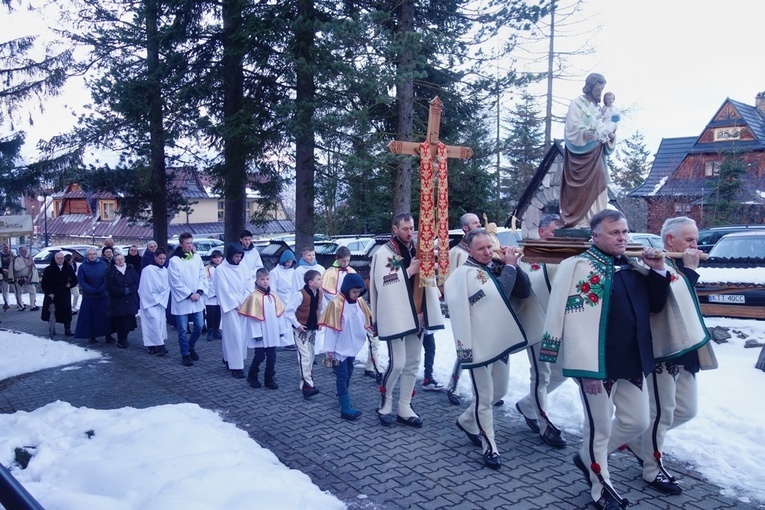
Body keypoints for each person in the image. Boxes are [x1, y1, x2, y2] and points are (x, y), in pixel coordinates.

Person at [541, 210, 672, 510]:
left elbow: (655, 305)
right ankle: (602, 488)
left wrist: (658, 270)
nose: (623, 238)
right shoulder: (576, 267)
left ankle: (588, 458)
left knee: (637, 420)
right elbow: (559, 313)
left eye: (625, 232)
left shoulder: (633, 266)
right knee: (599, 429)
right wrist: (571, 363)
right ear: (596, 235)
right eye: (615, 233)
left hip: (632, 362)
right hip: (595, 365)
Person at [625, 216, 717, 496]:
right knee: (661, 414)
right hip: (662, 352)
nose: (695, 245)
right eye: (689, 240)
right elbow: (661, 303)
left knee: (686, 410)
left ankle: (639, 444)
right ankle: (652, 468)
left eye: (696, 240)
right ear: (670, 241)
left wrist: (687, 268)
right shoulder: (650, 265)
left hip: (686, 352)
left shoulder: (678, 265)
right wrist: (690, 270)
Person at [445, 228, 531, 469]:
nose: (486, 252)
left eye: (489, 246)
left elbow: (522, 292)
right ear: (469, 249)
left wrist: (513, 265)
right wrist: (510, 268)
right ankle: (489, 445)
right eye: (481, 248)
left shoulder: (493, 266)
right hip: (478, 345)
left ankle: (466, 421)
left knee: (499, 392)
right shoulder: (464, 274)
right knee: (484, 397)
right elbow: (499, 294)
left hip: (500, 341)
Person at [368, 212, 444, 428]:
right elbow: (384, 282)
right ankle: (386, 401)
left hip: (418, 314)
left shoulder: (418, 249)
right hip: (396, 315)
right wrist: (409, 271)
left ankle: (405, 407)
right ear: (395, 229)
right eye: (405, 229)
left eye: (412, 228)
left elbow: (429, 277)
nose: (410, 232)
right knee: (398, 363)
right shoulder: (384, 253)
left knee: (412, 364)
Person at [514, 213, 569, 449]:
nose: (559, 237)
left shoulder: (568, 257)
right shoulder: (527, 257)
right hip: (537, 326)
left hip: (560, 325)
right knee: (541, 374)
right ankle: (546, 426)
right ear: (542, 231)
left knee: (563, 371)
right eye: (555, 231)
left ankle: (528, 405)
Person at [561, 73, 615, 228]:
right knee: (581, 189)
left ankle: (597, 220)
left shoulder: (599, 108)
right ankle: (581, 221)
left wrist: (610, 135)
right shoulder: (577, 103)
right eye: (598, 89)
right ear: (590, 87)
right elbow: (571, 127)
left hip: (596, 153)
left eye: (602, 89)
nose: (600, 93)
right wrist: (583, 134)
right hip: (580, 156)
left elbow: (604, 126)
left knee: (600, 179)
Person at [319, 273, 372, 421]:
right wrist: (329, 349)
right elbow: (331, 328)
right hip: (339, 348)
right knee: (342, 376)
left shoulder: (359, 302)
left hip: (352, 345)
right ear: (347, 288)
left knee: (349, 371)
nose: (356, 295)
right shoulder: (336, 304)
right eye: (354, 292)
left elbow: (365, 319)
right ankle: (345, 407)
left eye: (359, 292)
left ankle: (341, 394)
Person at [444, 212, 482, 405]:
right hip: (465, 309)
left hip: (484, 307)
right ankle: (453, 385)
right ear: (466, 228)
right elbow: (450, 283)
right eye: (475, 223)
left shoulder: (482, 249)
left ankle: (485, 390)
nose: (480, 224)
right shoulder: (457, 253)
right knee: (465, 348)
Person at [241, 267, 290, 389]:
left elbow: (279, 314)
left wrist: (280, 330)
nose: (265, 281)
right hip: (261, 333)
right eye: (262, 279)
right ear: (257, 280)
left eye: (267, 279)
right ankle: (252, 375)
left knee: (272, 355)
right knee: (260, 356)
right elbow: (253, 317)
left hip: (272, 330)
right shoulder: (254, 297)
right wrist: (256, 334)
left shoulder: (273, 295)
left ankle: (269, 378)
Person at [168, 232, 208, 367]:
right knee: (183, 330)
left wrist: (199, 292)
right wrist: (189, 294)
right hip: (183, 299)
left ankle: (190, 346)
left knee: (199, 326)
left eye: (191, 243)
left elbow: (202, 276)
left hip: (197, 298)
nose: (190, 246)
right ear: (181, 244)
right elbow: (175, 281)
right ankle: (185, 354)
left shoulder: (197, 258)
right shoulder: (174, 260)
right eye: (187, 243)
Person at [213, 243, 253, 378]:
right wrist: (235, 304)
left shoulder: (243, 267)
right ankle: (236, 367)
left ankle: (230, 358)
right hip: (230, 306)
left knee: (241, 335)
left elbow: (249, 284)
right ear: (230, 255)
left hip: (243, 302)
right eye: (237, 256)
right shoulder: (221, 270)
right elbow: (222, 289)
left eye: (241, 256)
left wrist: (245, 300)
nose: (239, 259)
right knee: (233, 335)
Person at [285, 269, 325, 399]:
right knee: (305, 356)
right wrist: (297, 325)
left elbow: (321, 308)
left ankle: (304, 383)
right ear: (310, 282)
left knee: (311, 355)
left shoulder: (320, 293)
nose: (321, 281)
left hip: (312, 329)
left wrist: (320, 322)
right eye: (319, 279)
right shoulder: (300, 294)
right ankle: (308, 386)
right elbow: (289, 311)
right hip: (300, 330)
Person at [75, 247, 113, 344]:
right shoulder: (83, 267)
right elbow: (81, 281)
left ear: (97, 255)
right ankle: (91, 336)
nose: (92, 256)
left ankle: (108, 335)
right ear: (87, 256)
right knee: (90, 317)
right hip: (89, 296)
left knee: (105, 316)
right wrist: (90, 289)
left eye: (94, 254)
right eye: (90, 254)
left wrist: (102, 288)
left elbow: (107, 278)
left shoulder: (103, 264)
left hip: (103, 294)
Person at [138, 248, 170, 355]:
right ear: (155, 257)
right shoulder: (148, 270)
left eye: (164, 259)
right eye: (160, 258)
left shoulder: (165, 271)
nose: (162, 261)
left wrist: (161, 299)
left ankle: (155, 344)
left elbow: (167, 287)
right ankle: (159, 346)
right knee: (153, 322)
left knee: (159, 323)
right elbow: (144, 286)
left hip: (160, 301)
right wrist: (153, 299)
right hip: (150, 301)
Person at [105, 253, 140, 349]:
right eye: (118, 260)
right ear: (114, 261)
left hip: (130, 299)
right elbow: (109, 286)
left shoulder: (130, 269)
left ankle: (125, 337)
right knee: (120, 321)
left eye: (122, 259)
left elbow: (137, 281)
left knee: (128, 320)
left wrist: (131, 289)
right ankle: (121, 339)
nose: (120, 261)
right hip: (117, 300)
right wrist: (122, 291)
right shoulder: (110, 271)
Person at [40, 251, 77, 338]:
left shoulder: (68, 268)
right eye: (58, 258)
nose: (60, 260)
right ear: (54, 259)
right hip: (53, 294)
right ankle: (52, 328)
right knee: (52, 312)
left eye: (62, 258)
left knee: (66, 312)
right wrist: (49, 292)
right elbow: (44, 283)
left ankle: (67, 329)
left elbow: (75, 279)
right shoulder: (48, 269)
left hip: (64, 294)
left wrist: (70, 284)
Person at [11, 246, 40, 312]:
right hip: (19, 279)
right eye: (22, 251)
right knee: (19, 293)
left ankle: (32, 306)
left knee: (33, 292)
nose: (24, 252)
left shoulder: (29, 259)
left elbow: (32, 269)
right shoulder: (16, 259)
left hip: (28, 278)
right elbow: (16, 268)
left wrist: (30, 277)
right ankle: (21, 306)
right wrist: (26, 264)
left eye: (25, 251)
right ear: (19, 251)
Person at [203, 250, 224, 342]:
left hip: (220, 294)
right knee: (211, 313)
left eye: (219, 257)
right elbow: (206, 280)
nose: (218, 259)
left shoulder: (224, 268)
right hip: (211, 294)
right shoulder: (208, 268)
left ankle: (216, 330)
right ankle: (210, 330)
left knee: (218, 313)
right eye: (215, 257)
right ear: (212, 258)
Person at [1, 243, 13, 311]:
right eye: (4, 247)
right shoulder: (0, 255)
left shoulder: (11, 254)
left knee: (15, 289)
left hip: (11, 273)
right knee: (5, 289)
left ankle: (19, 303)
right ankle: (6, 302)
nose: (6, 249)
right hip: (4, 273)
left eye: (7, 247)